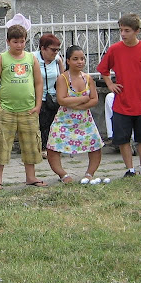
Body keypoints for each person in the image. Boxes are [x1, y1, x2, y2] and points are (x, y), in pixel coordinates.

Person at [97, 14, 141, 177]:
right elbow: (103, 69)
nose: (123, 34)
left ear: (136, 31)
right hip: (122, 102)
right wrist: (110, 84)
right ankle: (129, 169)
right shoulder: (115, 49)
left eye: (127, 30)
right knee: (123, 138)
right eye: (121, 30)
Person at [0, 24, 46, 189]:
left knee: (31, 144)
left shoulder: (31, 58)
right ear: (8, 42)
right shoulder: (2, 59)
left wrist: (38, 105)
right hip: (7, 110)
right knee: (1, 144)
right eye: (15, 42)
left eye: (22, 41)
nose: (19, 45)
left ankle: (31, 177)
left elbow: (38, 82)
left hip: (28, 109)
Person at [46, 45, 103, 183]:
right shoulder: (63, 78)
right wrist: (83, 99)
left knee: (95, 145)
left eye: (82, 59)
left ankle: (89, 173)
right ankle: (63, 174)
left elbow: (94, 99)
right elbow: (62, 100)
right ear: (68, 61)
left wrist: (77, 104)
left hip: (85, 119)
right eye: (75, 59)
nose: (80, 62)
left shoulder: (88, 78)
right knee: (53, 146)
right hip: (64, 119)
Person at [34, 32, 64, 154]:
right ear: (43, 48)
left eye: (58, 50)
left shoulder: (57, 60)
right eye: (53, 50)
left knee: (53, 123)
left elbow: (62, 77)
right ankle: (41, 147)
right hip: (38, 96)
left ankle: (52, 147)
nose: (55, 52)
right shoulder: (33, 58)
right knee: (41, 123)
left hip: (53, 96)